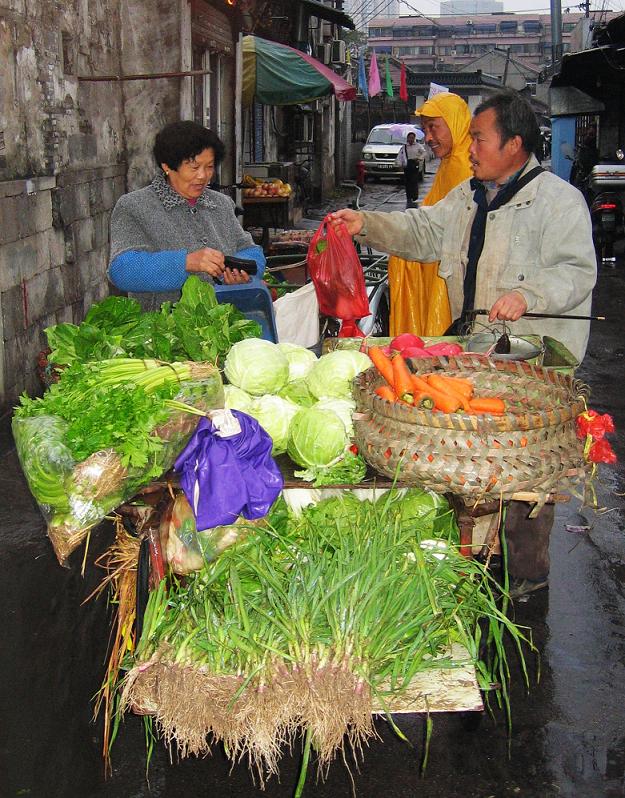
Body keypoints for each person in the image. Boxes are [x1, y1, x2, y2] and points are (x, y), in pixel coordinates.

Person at [330, 89, 597, 597]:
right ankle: (475, 558)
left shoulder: (559, 203)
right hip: (478, 355)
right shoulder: (467, 195)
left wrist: (528, 293)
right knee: (473, 455)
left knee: (525, 470)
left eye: (480, 137)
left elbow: (576, 273)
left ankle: (526, 576)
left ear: (514, 143)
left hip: (534, 366)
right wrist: (366, 224)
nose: (470, 148)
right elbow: (423, 231)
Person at [108, 121, 266, 311]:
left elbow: (250, 250)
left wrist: (243, 272)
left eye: (209, 167)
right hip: (163, 330)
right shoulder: (134, 206)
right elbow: (122, 270)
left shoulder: (221, 204)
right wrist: (185, 262)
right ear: (167, 166)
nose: (203, 176)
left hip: (224, 322)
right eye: (194, 167)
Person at [389, 92, 473, 337]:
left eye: (434, 127)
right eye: (425, 129)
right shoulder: (452, 160)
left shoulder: (464, 165)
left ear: (455, 122)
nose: (429, 137)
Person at [395, 131, 426, 207]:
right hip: (407, 165)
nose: (411, 139)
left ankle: (415, 195)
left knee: (414, 180)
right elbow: (400, 156)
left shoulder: (418, 146)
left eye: (412, 138)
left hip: (414, 164)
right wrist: (399, 165)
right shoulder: (404, 147)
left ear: (414, 138)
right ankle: (409, 197)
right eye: (409, 137)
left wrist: (419, 158)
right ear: (407, 138)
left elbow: (424, 153)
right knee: (407, 181)